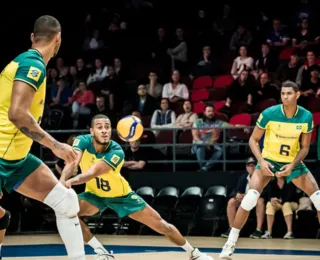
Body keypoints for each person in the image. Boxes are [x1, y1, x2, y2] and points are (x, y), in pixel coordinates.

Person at [60, 114, 213, 260]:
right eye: (99, 127)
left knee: (162, 226)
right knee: (67, 212)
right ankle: (101, 252)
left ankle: (194, 253)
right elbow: (73, 162)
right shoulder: (81, 141)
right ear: (92, 131)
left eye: (107, 127)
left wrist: (71, 181)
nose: (104, 130)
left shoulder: (116, 151)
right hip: (94, 194)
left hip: (121, 196)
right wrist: (62, 179)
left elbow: (93, 172)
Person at [0, 15, 86, 259]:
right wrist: (56, 145)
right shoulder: (33, 65)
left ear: (32, 37)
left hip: (16, 159)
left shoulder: (23, 61)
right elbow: (17, 114)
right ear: (58, 39)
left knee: (67, 202)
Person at [219, 80, 320, 259]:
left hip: (292, 162)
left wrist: (292, 165)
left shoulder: (306, 117)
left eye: (289, 93)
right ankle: (230, 243)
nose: (285, 97)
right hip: (269, 161)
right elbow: (252, 140)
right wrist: (262, 162)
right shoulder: (269, 113)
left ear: (297, 95)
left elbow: (305, 148)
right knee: (250, 198)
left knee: (319, 200)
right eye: (282, 93)